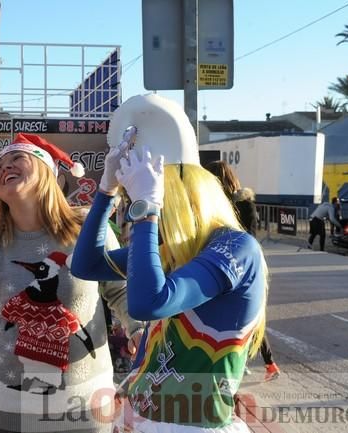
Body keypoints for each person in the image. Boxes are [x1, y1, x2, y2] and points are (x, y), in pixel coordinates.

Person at [71, 94, 268, 432]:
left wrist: (147, 208)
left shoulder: (237, 248)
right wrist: (106, 190)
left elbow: (150, 303)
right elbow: (86, 265)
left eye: (156, 200)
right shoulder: (172, 251)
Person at [0, 133, 143, 433]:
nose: (4, 167)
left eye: (17, 159)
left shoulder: (89, 228)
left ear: (48, 172)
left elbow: (120, 290)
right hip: (7, 409)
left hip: (86, 407)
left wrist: (137, 328)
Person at [205, 160, 280, 382]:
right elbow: (252, 235)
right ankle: (269, 363)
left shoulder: (222, 204)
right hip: (247, 263)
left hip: (228, 263)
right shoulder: (246, 203)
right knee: (250, 314)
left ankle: (247, 362)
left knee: (233, 315)